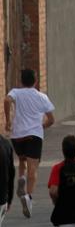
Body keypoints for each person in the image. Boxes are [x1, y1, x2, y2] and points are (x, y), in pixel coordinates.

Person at [4, 67, 55, 219]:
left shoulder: (16, 92)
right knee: (33, 168)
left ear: (21, 81)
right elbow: (51, 119)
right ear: (36, 81)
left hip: (18, 134)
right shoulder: (42, 97)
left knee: (21, 159)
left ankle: (21, 178)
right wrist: (42, 126)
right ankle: (28, 196)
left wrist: (8, 121)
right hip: (34, 135)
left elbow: (6, 100)